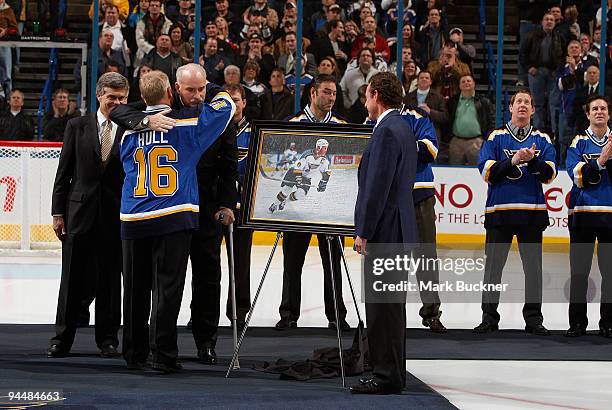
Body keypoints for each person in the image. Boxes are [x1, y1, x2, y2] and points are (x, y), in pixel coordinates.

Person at [109, 64, 238, 366]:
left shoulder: (127, 130)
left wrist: (142, 119)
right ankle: (164, 355)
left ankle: (134, 352)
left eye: (201, 88)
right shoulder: (190, 125)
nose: (197, 95)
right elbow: (228, 104)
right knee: (168, 289)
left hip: (134, 215)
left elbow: (118, 116)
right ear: (173, 91)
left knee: (136, 288)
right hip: (173, 214)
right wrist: (212, 86)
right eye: (190, 89)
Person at [47, 72, 129, 359]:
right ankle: (62, 339)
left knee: (110, 281)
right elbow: (64, 174)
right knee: (71, 280)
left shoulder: (131, 129)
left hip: (116, 216)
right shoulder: (76, 126)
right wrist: (58, 213)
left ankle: (108, 340)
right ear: (99, 96)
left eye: (122, 98)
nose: (117, 102)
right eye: (112, 98)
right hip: (78, 214)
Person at [351, 72, 418, 395]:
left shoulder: (387, 132)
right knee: (391, 307)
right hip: (398, 230)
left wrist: (363, 229)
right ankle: (393, 372)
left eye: (366, 95)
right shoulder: (402, 127)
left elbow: (376, 187)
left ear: (376, 94)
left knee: (383, 308)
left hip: (386, 232)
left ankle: (386, 375)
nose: (365, 101)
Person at [271, 74, 349, 332]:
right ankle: (288, 314)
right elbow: (281, 162)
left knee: (333, 263)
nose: (331, 98)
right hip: (298, 207)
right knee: (292, 262)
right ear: (312, 93)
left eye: (334, 93)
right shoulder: (291, 124)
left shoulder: (342, 125)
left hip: (329, 208)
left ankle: (337, 315)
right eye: (326, 92)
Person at [475, 89, 557, 336]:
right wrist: (513, 161)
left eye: (527, 102)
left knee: (533, 270)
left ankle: (533, 319)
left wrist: (531, 161)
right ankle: (489, 317)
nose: (522, 105)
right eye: (518, 102)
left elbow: (550, 174)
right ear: (510, 108)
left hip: (532, 213)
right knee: (493, 269)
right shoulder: (496, 137)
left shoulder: (543, 139)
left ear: (533, 110)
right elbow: (486, 172)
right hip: (500, 212)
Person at [565, 95, 612, 339]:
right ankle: (577, 323)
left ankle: (608, 323)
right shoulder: (579, 141)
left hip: (610, 216)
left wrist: (596, 165)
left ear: (608, 113)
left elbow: (588, 171)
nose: (599, 112)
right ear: (588, 114)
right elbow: (576, 176)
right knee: (580, 272)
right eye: (595, 108)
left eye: (603, 108)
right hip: (583, 214)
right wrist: (602, 160)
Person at [221, 83, 252, 329]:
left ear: (244, 103)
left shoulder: (254, 133)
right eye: (229, 100)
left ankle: (240, 310)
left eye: (237, 100)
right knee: (207, 261)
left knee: (241, 262)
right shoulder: (215, 129)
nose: (234, 104)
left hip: (243, 207)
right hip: (216, 204)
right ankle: (200, 310)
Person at [446, 74, 495, 165]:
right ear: (459, 86)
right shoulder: (453, 101)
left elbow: (491, 121)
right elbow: (447, 119)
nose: (466, 83)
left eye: (468, 81)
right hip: (456, 142)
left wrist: (485, 139)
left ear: (474, 84)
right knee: (453, 173)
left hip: (476, 142)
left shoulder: (483, 101)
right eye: (463, 82)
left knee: (478, 172)